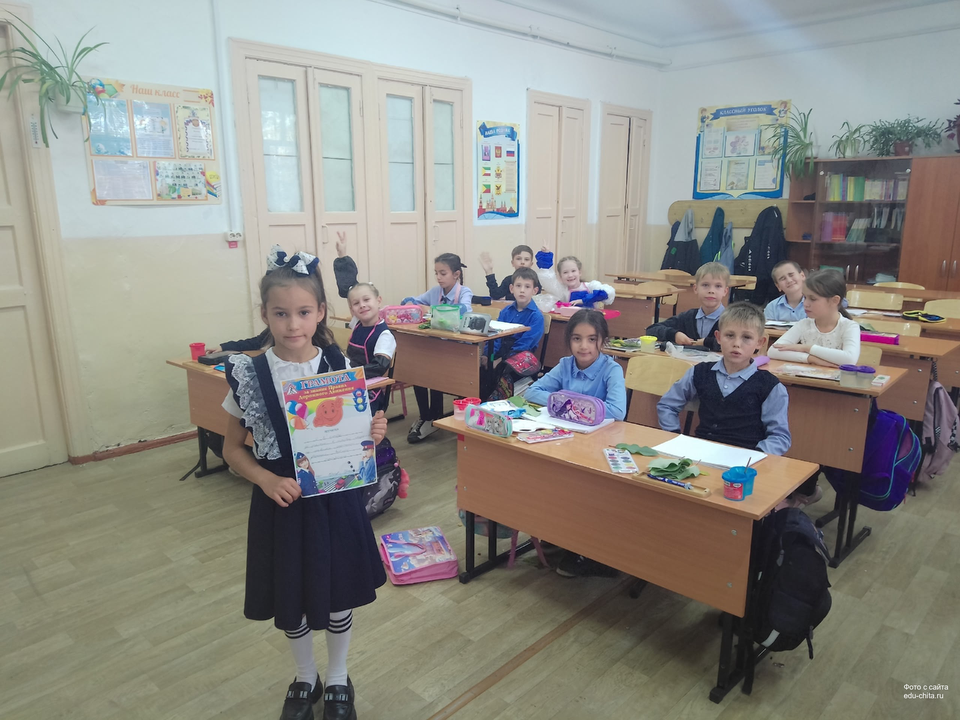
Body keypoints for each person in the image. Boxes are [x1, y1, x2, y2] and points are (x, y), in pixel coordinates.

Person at [221, 245, 387, 720]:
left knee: (337, 593)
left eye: (303, 312)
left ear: (321, 313)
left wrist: (373, 435)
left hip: (335, 502)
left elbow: (357, 442)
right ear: (264, 314)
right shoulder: (250, 374)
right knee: (289, 597)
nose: (292, 324)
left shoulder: (339, 369)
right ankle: (304, 675)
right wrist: (264, 479)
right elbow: (232, 449)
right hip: (281, 504)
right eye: (280, 313)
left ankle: (337, 676)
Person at [525, 309, 626, 578]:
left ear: (602, 341)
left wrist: (570, 405)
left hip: (599, 446)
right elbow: (533, 391)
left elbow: (618, 410)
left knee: (583, 489)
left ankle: (585, 546)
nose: (584, 346)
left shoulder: (611, 369)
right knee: (547, 478)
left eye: (592, 339)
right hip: (565, 439)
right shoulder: (565, 365)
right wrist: (568, 404)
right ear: (569, 340)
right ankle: (557, 533)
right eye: (577, 339)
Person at [657, 302, 791, 456]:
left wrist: (754, 457)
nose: (736, 344)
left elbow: (780, 437)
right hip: (701, 453)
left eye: (747, 337)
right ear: (718, 337)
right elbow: (667, 405)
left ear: (759, 343)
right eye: (730, 335)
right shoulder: (699, 372)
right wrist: (675, 437)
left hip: (745, 459)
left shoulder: (770, 386)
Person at [402, 253, 473, 443]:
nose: (439, 277)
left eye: (443, 273)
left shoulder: (464, 292)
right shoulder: (436, 292)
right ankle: (426, 416)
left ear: (456, 274)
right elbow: (414, 301)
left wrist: (432, 310)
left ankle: (435, 417)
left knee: (435, 373)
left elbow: (464, 310)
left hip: (458, 351)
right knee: (418, 372)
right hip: (438, 348)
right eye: (436, 273)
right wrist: (409, 302)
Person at [768, 269, 860, 367]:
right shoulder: (804, 324)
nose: (805, 304)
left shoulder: (849, 326)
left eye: (813, 299)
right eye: (805, 297)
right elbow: (773, 351)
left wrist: (807, 348)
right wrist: (810, 358)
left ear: (834, 300)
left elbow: (849, 360)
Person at [480, 267, 545, 399]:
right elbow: (496, 336)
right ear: (511, 288)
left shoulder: (536, 316)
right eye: (518, 286)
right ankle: (479, 402)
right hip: (500, 352)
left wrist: (501, 361)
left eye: (527, 287)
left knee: (500, 372)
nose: (522, 290)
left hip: (521, 358)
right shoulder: (505, 311)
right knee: (481, 369)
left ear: (535, 291)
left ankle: (494, 403)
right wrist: (488, 355)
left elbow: (524, 345)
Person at [645, 261, 729, 350]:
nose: (711, 291)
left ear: (725, 291)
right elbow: (651, 330)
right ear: (695, 289)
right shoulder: (688, 317)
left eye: (718, 286)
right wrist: (674, 335)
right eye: (705, 285)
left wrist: (706, 342)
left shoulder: (731, 319)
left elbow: (733, 343)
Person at [535, 249, 615, 307]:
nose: (570, 275)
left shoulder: (591, 286)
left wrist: (584, 300)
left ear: (579, 272)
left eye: (573, 271)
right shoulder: (562, 291)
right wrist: (545, 258)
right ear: (560, 276)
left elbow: (608, 293)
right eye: (565, 272)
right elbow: (548, 281)